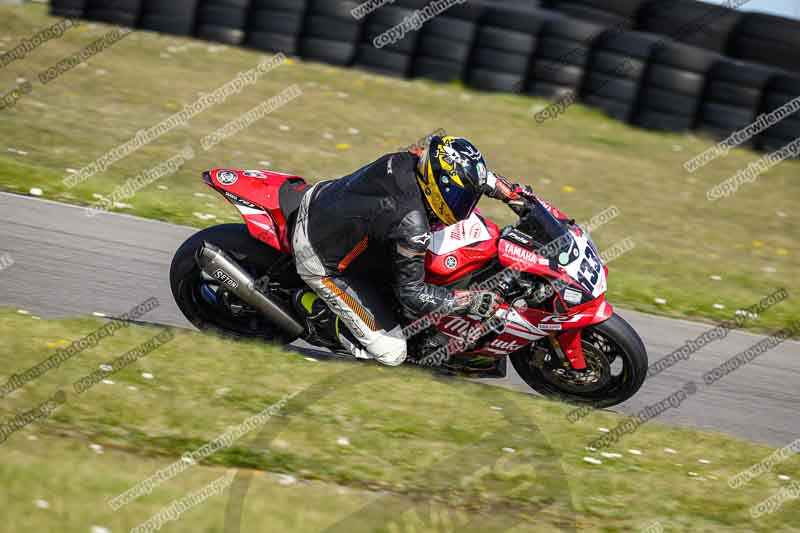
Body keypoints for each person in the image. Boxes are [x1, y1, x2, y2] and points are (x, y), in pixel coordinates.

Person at [291, 135, 537, 366]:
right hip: (321, 257)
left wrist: (511, 194)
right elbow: (413, 294)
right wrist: (470, 301)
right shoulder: (411, 225)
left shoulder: (416, 159)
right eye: (459, 197)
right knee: (392, 352)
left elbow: (473, 175)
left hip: (327, 200)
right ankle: (315, 308)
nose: (464, 205)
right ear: (439, 185)